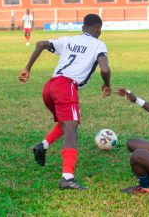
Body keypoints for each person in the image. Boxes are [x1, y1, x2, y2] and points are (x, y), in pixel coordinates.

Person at [18, 14, 111, 190]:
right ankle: (67, 177)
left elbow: (41, 44)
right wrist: (107, 84)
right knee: (71, 131)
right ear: (99, 29)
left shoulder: (69, 40)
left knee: (68, 122)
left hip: (50, 86)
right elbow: (105, 68)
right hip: (66, 87)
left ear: (83, 27)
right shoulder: (98, 44)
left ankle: (42, 146)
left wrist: (27, 69)